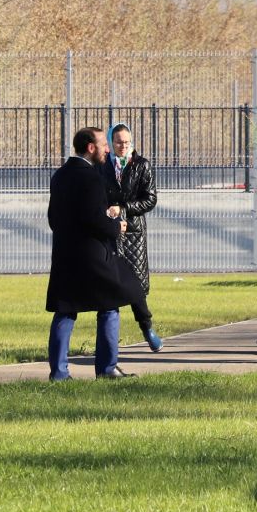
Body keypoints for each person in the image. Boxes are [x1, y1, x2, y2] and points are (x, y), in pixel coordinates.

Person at [46, 126, 142, 380]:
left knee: (66, 310)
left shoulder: (60, 175)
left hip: (65, 254)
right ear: (91, 147)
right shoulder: (92, 177)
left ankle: (59, 372)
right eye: (103, 145)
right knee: (110, 305)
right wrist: (116, 226)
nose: (107, 150)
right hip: (93, 256)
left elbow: (53, 218)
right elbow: (94, 220)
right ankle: (107, 368)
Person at [107, 123, 163, 353]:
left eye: (126, 142)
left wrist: (124, 209)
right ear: (111, 142)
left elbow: (150, 199)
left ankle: (147, 328)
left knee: (136, 285)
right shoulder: (102, 165)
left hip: (133, 232)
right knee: (109, 286)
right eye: (118, 142)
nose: (123, 146)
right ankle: (109, 341)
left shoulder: (141, 165)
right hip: (108, 229)